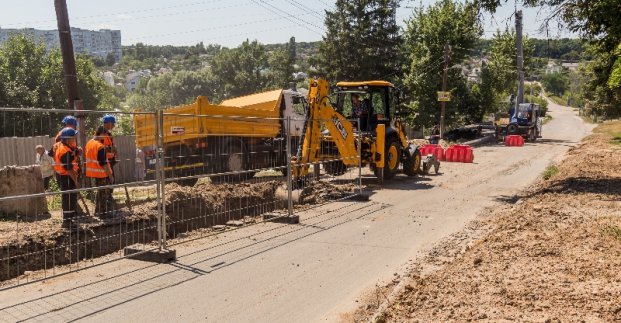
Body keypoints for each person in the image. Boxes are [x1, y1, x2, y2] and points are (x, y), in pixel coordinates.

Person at [85, 127, 116, 218]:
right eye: (105, 134)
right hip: (102, 173)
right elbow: (103, 163)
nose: (106, 137)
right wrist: (110, 176)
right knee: (103, 194)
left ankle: (97, 212)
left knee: (99, 193)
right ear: (102, 133)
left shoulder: (89, 143)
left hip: (94, 173)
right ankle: (102, 214)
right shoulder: (100, 146)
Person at [54, 128, 80, 229]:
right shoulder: (65, 151)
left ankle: (69, 219)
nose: (75, 139)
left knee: (68, 197)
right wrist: (76, 181)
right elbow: (69, 169)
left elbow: (52, 154)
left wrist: (76, 152)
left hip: (61, 175)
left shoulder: (58, 145)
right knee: (69, 198)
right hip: (67, 177)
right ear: (68, 139)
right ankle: (67, 221)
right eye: (73, 137)